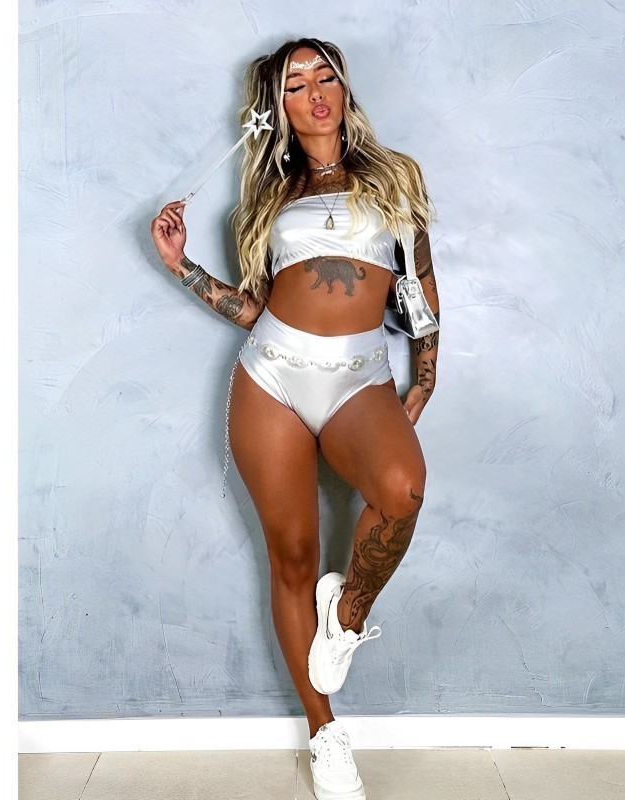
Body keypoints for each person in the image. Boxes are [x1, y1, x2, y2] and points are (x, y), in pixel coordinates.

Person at [150, 37, 439, 800]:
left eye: (325, 76)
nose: (315, 92)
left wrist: (426, 375)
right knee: (291, 556)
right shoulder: (265, 199)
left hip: (360, 378)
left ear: (343, 89)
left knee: (402, 489)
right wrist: (182, 267)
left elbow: (420, 282)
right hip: (271, 377)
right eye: (294, 84)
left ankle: (346, 613)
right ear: (275, 107)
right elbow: (255, 308)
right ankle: (325, 735)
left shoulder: (396, 177)